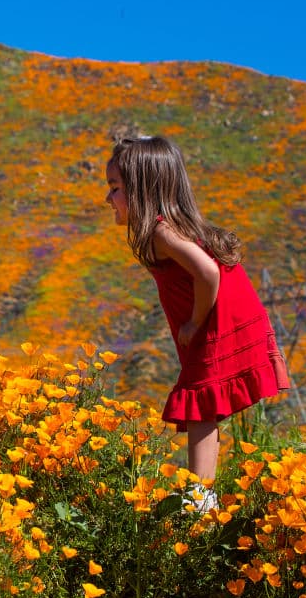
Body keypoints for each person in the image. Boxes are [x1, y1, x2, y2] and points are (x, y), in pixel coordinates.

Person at [106, 136, 289, 512]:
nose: (108, 198)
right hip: (229, 310)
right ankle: (201, 495)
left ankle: (200, 500)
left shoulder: (161, 232)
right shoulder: (168, 228)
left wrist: (194, 322)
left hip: (220, 316)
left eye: (115, 188)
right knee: (203, 402)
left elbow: (208, 272)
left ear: (142, 189)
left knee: (200, 399)